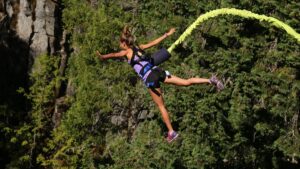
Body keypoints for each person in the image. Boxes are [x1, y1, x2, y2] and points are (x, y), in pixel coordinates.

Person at [96, 26, 224, 143]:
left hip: (150, 77)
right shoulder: (139, 47)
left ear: (124, 43)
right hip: (158, 71)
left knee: (161, 106)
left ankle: (171, 132)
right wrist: (166, 34)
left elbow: (114, 54)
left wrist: (103, 57)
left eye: (120, 44)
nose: (120, 46)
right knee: (186, 82)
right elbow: (154, 43)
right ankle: (210, 80)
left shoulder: (127, 52)